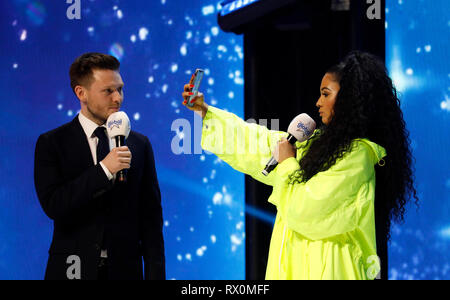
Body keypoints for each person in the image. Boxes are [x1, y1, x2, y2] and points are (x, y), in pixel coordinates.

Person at [182, 51, 418, 280]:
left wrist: (286, 164)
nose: (318, 102)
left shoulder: (358, 156)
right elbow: (256, 142)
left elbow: (307, 209)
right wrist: (205, 112)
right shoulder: (313, 146)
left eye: (326, 94)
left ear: (349, 98)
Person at [34, 53, 165, 280]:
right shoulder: (52, 143)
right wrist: (104, 170)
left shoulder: (139, 144)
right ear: (81, 93)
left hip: (125, 272)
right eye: (108, 91)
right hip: (71, 270)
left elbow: (151, 219)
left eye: (120, 89)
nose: (118, 98)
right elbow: (54, 205)